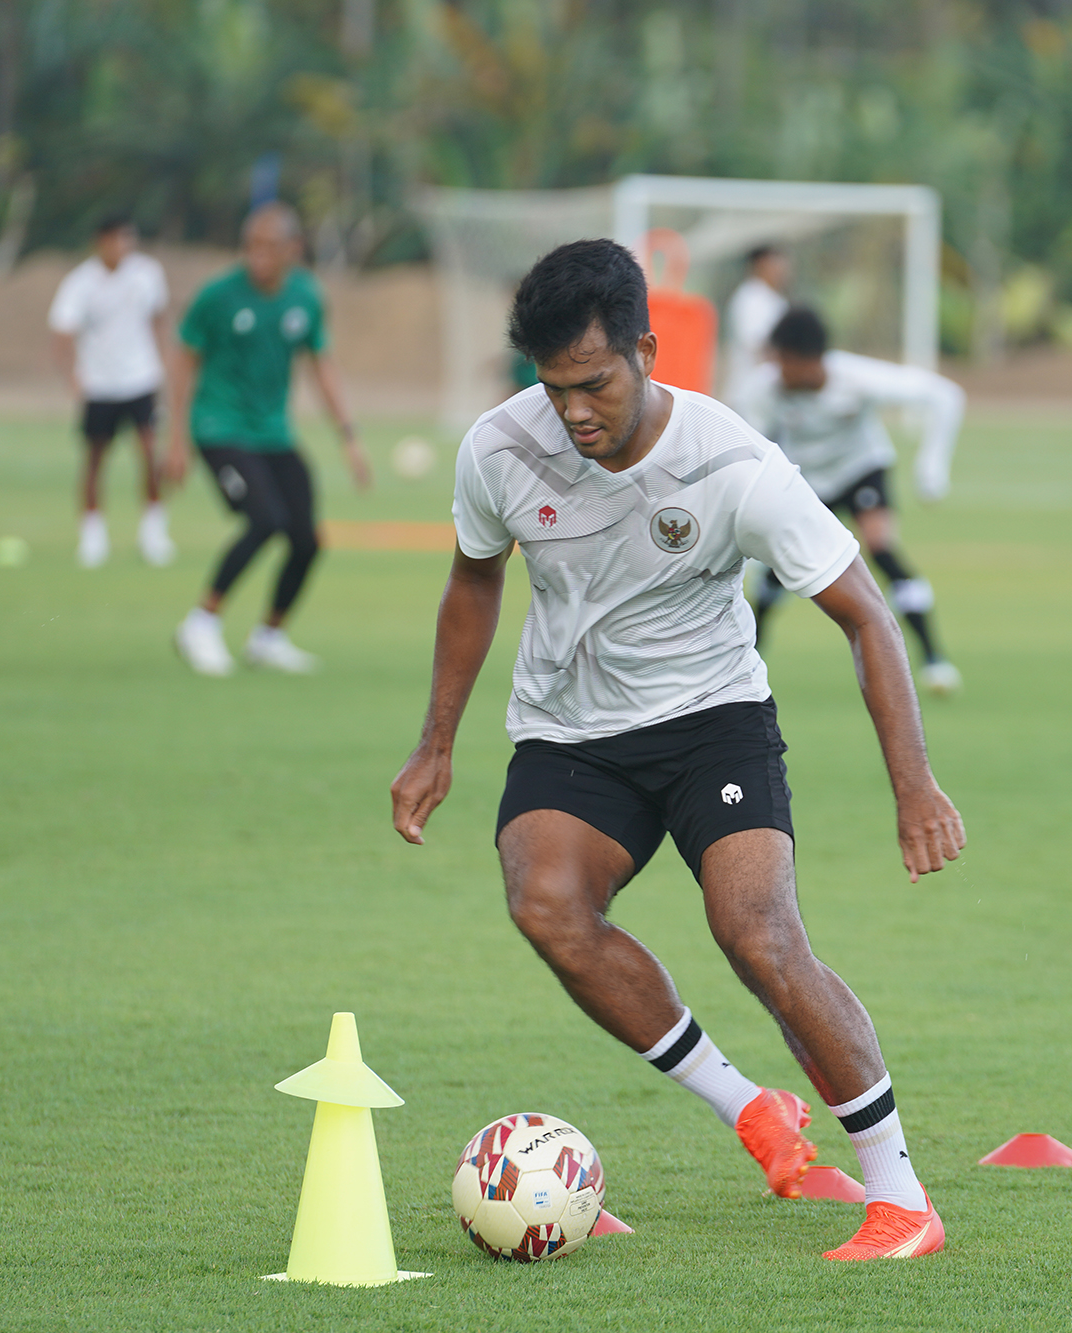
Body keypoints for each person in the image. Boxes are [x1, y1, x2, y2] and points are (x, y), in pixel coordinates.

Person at [389, 240, 965, 1262]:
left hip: (711, 721)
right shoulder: (498, 448)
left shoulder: (734, 464)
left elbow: (866, 616)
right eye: (553, 387)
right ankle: (748, 1107)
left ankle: (899, 1195)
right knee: (546, 905)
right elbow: (473, 579)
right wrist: (436, 742)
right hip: (571, 727)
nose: (573, 412)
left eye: (594, 384)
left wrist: (913, 785)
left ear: (646, 353)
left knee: (757, 934)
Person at [166, 202, 369, 676]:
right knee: (265, 520)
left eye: (269, 246)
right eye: (251, 245)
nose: (258, 255)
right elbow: (183, 360)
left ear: (293, 249)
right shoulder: (218, 296)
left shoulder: (306, 296)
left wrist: (349, 436)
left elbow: (321, 365)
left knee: (306, 540)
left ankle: (269, 637)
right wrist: (174, 439)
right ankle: (200, 623)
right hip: (219, 429)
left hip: (274, 434)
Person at [738, 307, 963, 695]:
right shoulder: (762, 390)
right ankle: (744, 666)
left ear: (810, 360)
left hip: (861, 469)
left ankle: (934, 659)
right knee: (776, 569)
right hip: (805, 481)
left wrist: (932, 467)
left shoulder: (856, 378)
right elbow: (747, 444)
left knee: (881, 548)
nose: (777, 369)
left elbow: (945, 395)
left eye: (783, 360)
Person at [47, 214, 176, 568]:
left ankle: (153, 532)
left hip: (140, 379)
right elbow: (62, 331)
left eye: (128, 239)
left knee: (149, 452)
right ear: (101, 242)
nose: (124, 246)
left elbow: (159, 319)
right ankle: (93, 536)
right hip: (100, 384)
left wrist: (163, 362)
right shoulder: (81, 282)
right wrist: (72, 376)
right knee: (95, 460)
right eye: (117, 239)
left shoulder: (147, 273)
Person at [722, 243, 790, 395]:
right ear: (761, 264)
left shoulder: (774, 298)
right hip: (750, 388)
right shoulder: (751, 298)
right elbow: (756, 343)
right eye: (776, 264)